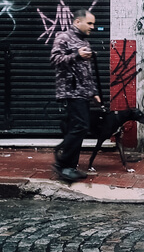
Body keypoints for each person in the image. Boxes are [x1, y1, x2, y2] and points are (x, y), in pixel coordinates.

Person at [50, 9, 101, 183]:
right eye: (89, 23)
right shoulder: (63, 37)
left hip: (82, 92)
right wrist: (76, 55)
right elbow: (55, 59)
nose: (92, 27)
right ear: (77, 22)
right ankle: (62, 163)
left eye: (93, 24)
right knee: (80, 126)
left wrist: (93, 92)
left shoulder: (84, 41)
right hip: (70, 92)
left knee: (79, 127)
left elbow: (87, 71)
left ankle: (70, 166)